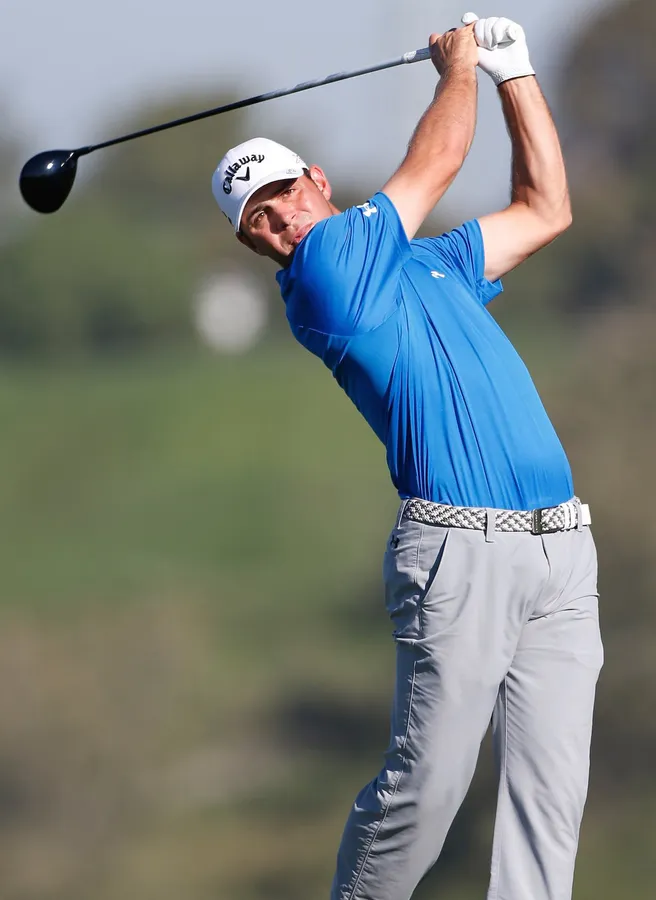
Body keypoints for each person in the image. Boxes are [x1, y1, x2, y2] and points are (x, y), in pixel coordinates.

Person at [211, 13, 603, 900]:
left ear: (316, 180)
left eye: (284, 195)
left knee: (551, 801)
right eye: (258, 220)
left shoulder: (430, 264)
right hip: (462, 553)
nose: (280, 221)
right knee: (426, 790)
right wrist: (459, 66)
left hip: (560, 551)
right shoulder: (325, 276)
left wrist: (515, 73)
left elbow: (547, 209)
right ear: (253, 243)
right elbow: (441, 158)